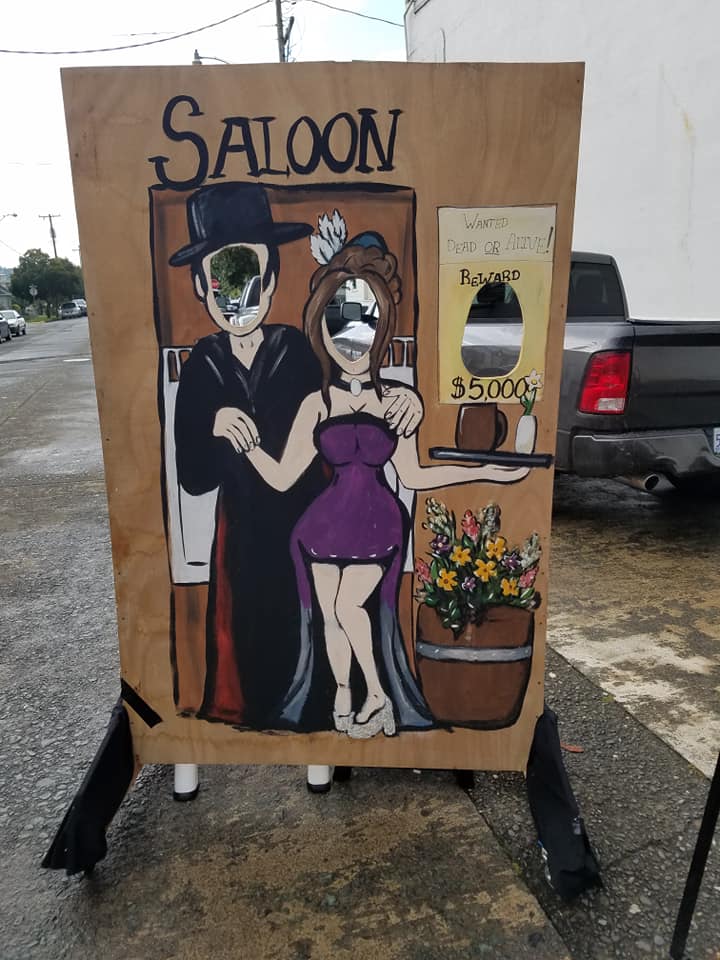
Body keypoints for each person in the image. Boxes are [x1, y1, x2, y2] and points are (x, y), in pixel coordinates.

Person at [241, 221, 529, 736]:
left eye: (366, 323)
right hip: (323, 526)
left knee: (349, 604)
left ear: (382, 329)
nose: (352, 340)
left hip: (377, 525)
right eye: (339, 323)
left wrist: (486, 469)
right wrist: (246, 446)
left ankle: (376, 694)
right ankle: (343, 695)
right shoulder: (317, 403)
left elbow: (412, 475)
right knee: (330, 614)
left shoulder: (396, 399)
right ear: (321, 327)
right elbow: (284, 478)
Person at [170, 183, 423, 729]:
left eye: (251, 281)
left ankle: (321, 716)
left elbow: (352, 387)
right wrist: (214, 427)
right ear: (200, 287)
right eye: (223, 283)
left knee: (311, 623)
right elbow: (192, 475)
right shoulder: (202, 366)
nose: (240, 300)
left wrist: (406, 399)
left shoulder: (298, 350)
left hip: (308, 520)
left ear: (271, 279)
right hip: (239, 531)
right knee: (248, 635)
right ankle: (256, 719)